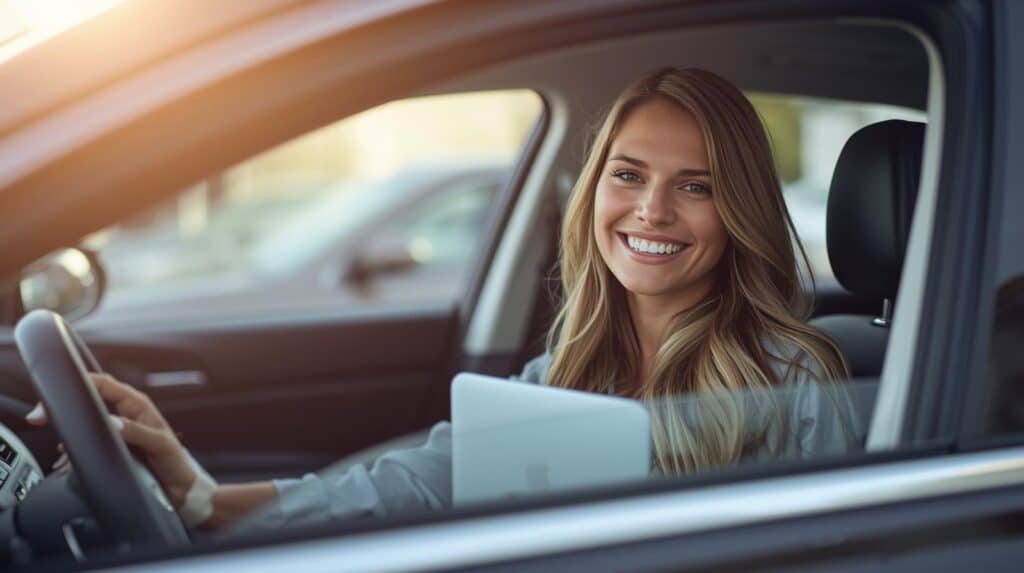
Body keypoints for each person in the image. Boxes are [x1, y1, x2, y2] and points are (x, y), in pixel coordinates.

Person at [25, 67, 858, 530]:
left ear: (739, 208)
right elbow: (428, 479)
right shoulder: (568, 360)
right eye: (629, 174)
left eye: (696, 186)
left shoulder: (795, 378)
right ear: (595, 189)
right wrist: (202, 496)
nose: (651, 211)